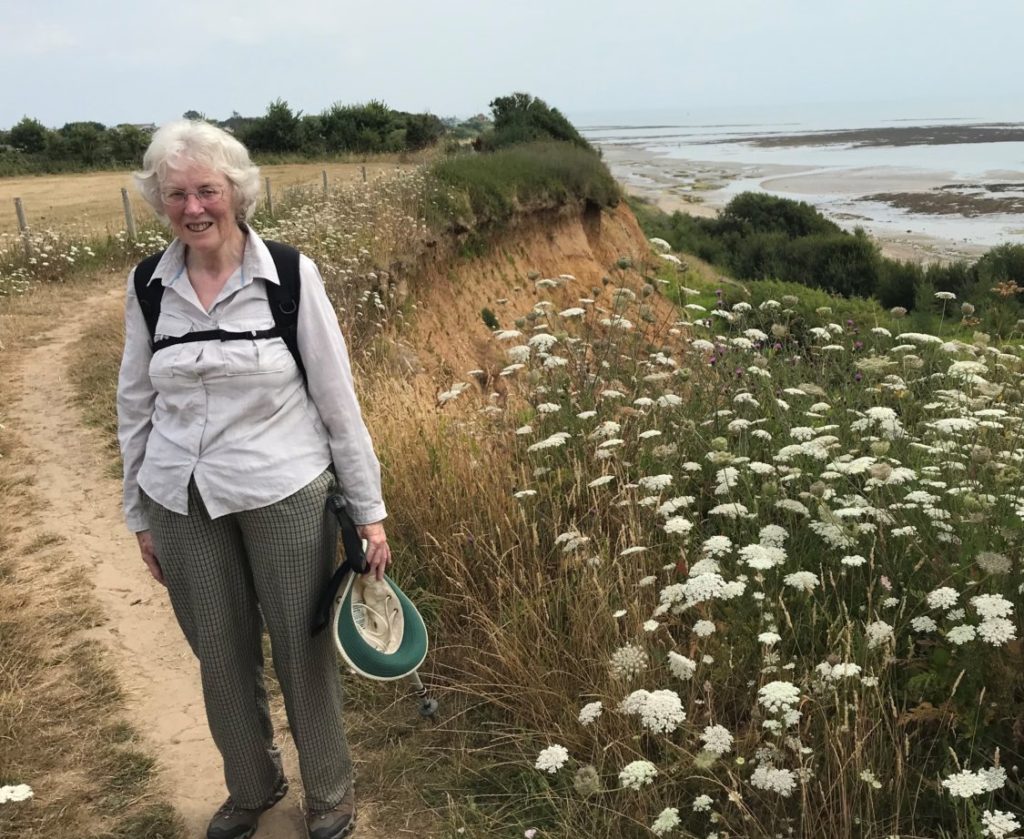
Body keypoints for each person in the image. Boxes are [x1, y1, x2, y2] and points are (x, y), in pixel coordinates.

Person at [117, 119, 390, 839]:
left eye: (207, 189)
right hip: (181, 497)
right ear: (160, 202)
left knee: (301, 650)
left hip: (284, 491)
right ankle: (251, 784)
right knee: (219, 649)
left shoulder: (290, 276)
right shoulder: (149, 285)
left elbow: (338, 399)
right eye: (176, 194)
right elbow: (134, 403)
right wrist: (138, 513)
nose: (193, 207)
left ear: (236, 192)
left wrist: (368, 511)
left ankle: (329, 792)